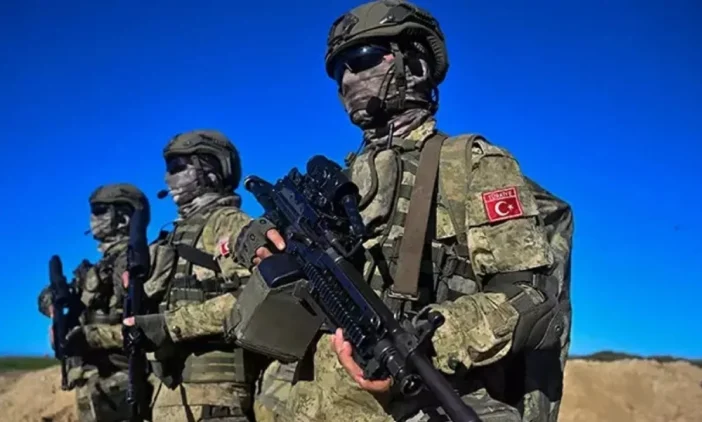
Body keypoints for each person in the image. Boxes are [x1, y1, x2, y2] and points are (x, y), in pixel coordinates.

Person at [230, 1, 574, 421]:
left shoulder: (471, 165)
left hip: (419, 404)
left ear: (416, 65)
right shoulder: (342, 180)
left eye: (363, 59)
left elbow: (533, 302)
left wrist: (426, 341)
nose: (348, 79)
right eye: (339, 71)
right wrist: (258, 241)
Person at [121, 129, 265, 421]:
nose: (167, 179)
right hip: (167, 394)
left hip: (216, 397)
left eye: (177, 168)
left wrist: (170, 325)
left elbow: (255, 299)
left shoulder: (228, 224)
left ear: (211, 169)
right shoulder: (170, 238)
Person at [38, 183, 150, 422]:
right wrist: (52, 304)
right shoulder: (95, 269)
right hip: (95, 383)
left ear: (123, 218)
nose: (92, 219)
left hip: (125, 380)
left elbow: (147, 326)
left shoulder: (137, 262)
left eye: (99, 211)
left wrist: (90, 336)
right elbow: (53, 298)